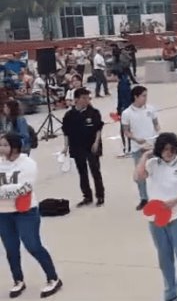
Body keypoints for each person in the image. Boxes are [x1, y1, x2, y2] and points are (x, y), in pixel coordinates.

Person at [134, 133, 177, 301]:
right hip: (156, 219)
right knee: (164, 258)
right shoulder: (152, 164)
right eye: (164, 149)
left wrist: (176, 201)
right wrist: (145, 156)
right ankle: (170, 292)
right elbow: (138, 177)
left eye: (171, 149)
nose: (168, 152)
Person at [0, 133, 62, 298]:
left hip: (25, 211)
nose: (1, 148)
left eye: (4, 145)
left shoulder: (28, 164)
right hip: (3, 213)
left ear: (14, 147)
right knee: (11, 248)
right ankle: (18, 280)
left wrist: (3, 191)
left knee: (32, 245)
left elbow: (24, 188)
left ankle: (53, 278)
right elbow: (15, 188)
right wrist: (9, 191)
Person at [61, 88, 105, 207]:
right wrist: (66, 146)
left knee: (95, 171)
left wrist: (96, 143)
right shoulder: (69, 115)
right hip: (77, 146)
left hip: (91, 146)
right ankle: (87, 196)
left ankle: (100, 196)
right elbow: (66, 132)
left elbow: (98, 129)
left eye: (88, 98)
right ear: (76, 99)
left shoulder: (94, 112)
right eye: (83, 98)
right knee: (82, 172)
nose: (86, 100)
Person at [121, 86, 160, 211]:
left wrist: (158, 133)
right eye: (143, 96)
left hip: (153, 146)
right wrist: (136, 139)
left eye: (146, 95)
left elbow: (156, 123)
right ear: (135, 97)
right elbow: (126, 131)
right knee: (140, 174)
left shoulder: (151, 109)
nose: (145, 98)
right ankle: (144, 198)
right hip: (138, 147)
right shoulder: (127, 113)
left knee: (157, 172)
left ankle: (158, 197)